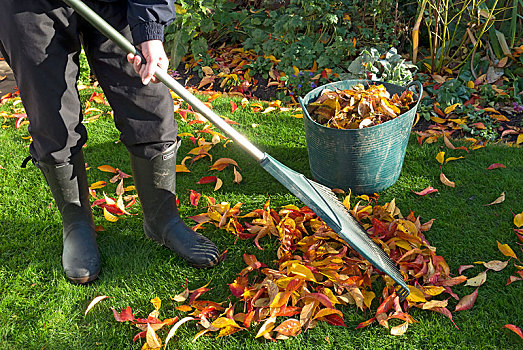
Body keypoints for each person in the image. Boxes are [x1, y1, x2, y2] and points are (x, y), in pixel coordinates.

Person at [0, 0, 219, 284]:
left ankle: (162, 220)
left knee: (148, 104)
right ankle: (77, 225)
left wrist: (150, 28)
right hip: (27, 7)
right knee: (52, 120)